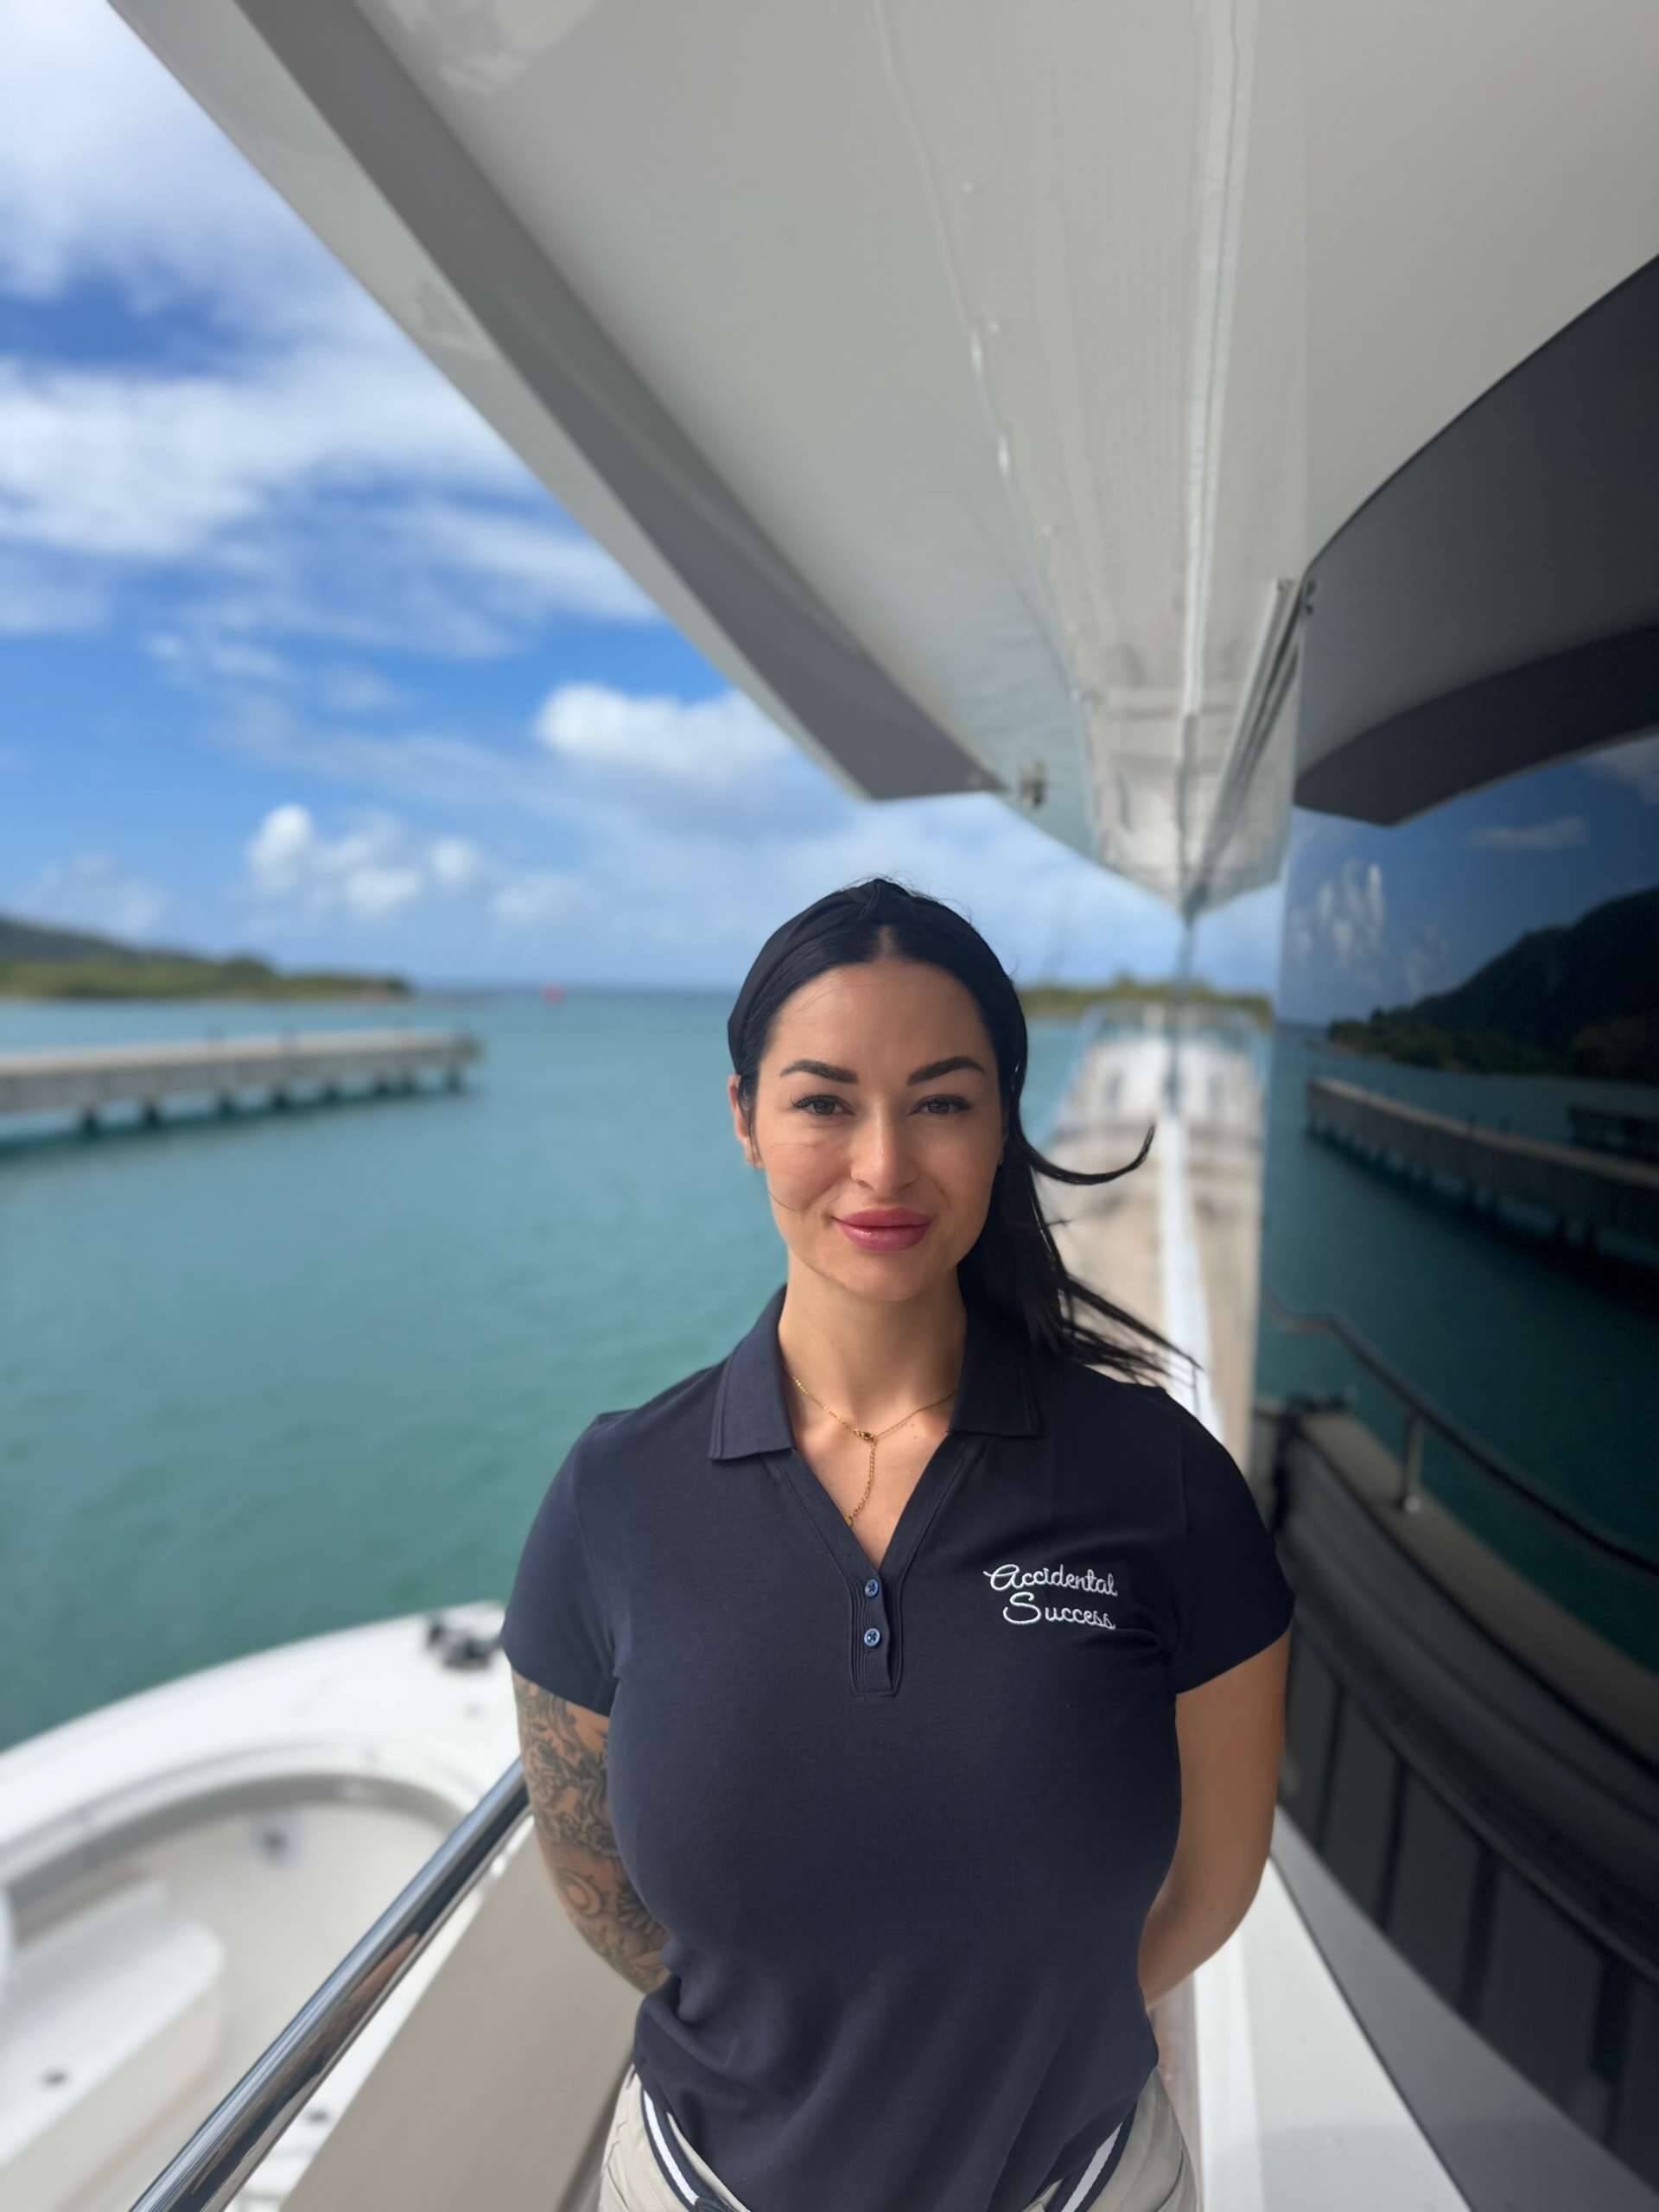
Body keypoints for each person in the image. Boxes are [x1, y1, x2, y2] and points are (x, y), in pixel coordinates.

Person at [504, 876, 1294, 2212]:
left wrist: (1026, 2030)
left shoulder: (1164, 1483)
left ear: (1002, 1124)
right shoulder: (614, 1496)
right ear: (746, 1119)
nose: (882, 1166)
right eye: (824, 1103)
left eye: (941, 1103)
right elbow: (598, 1889)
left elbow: (1214, 1883)